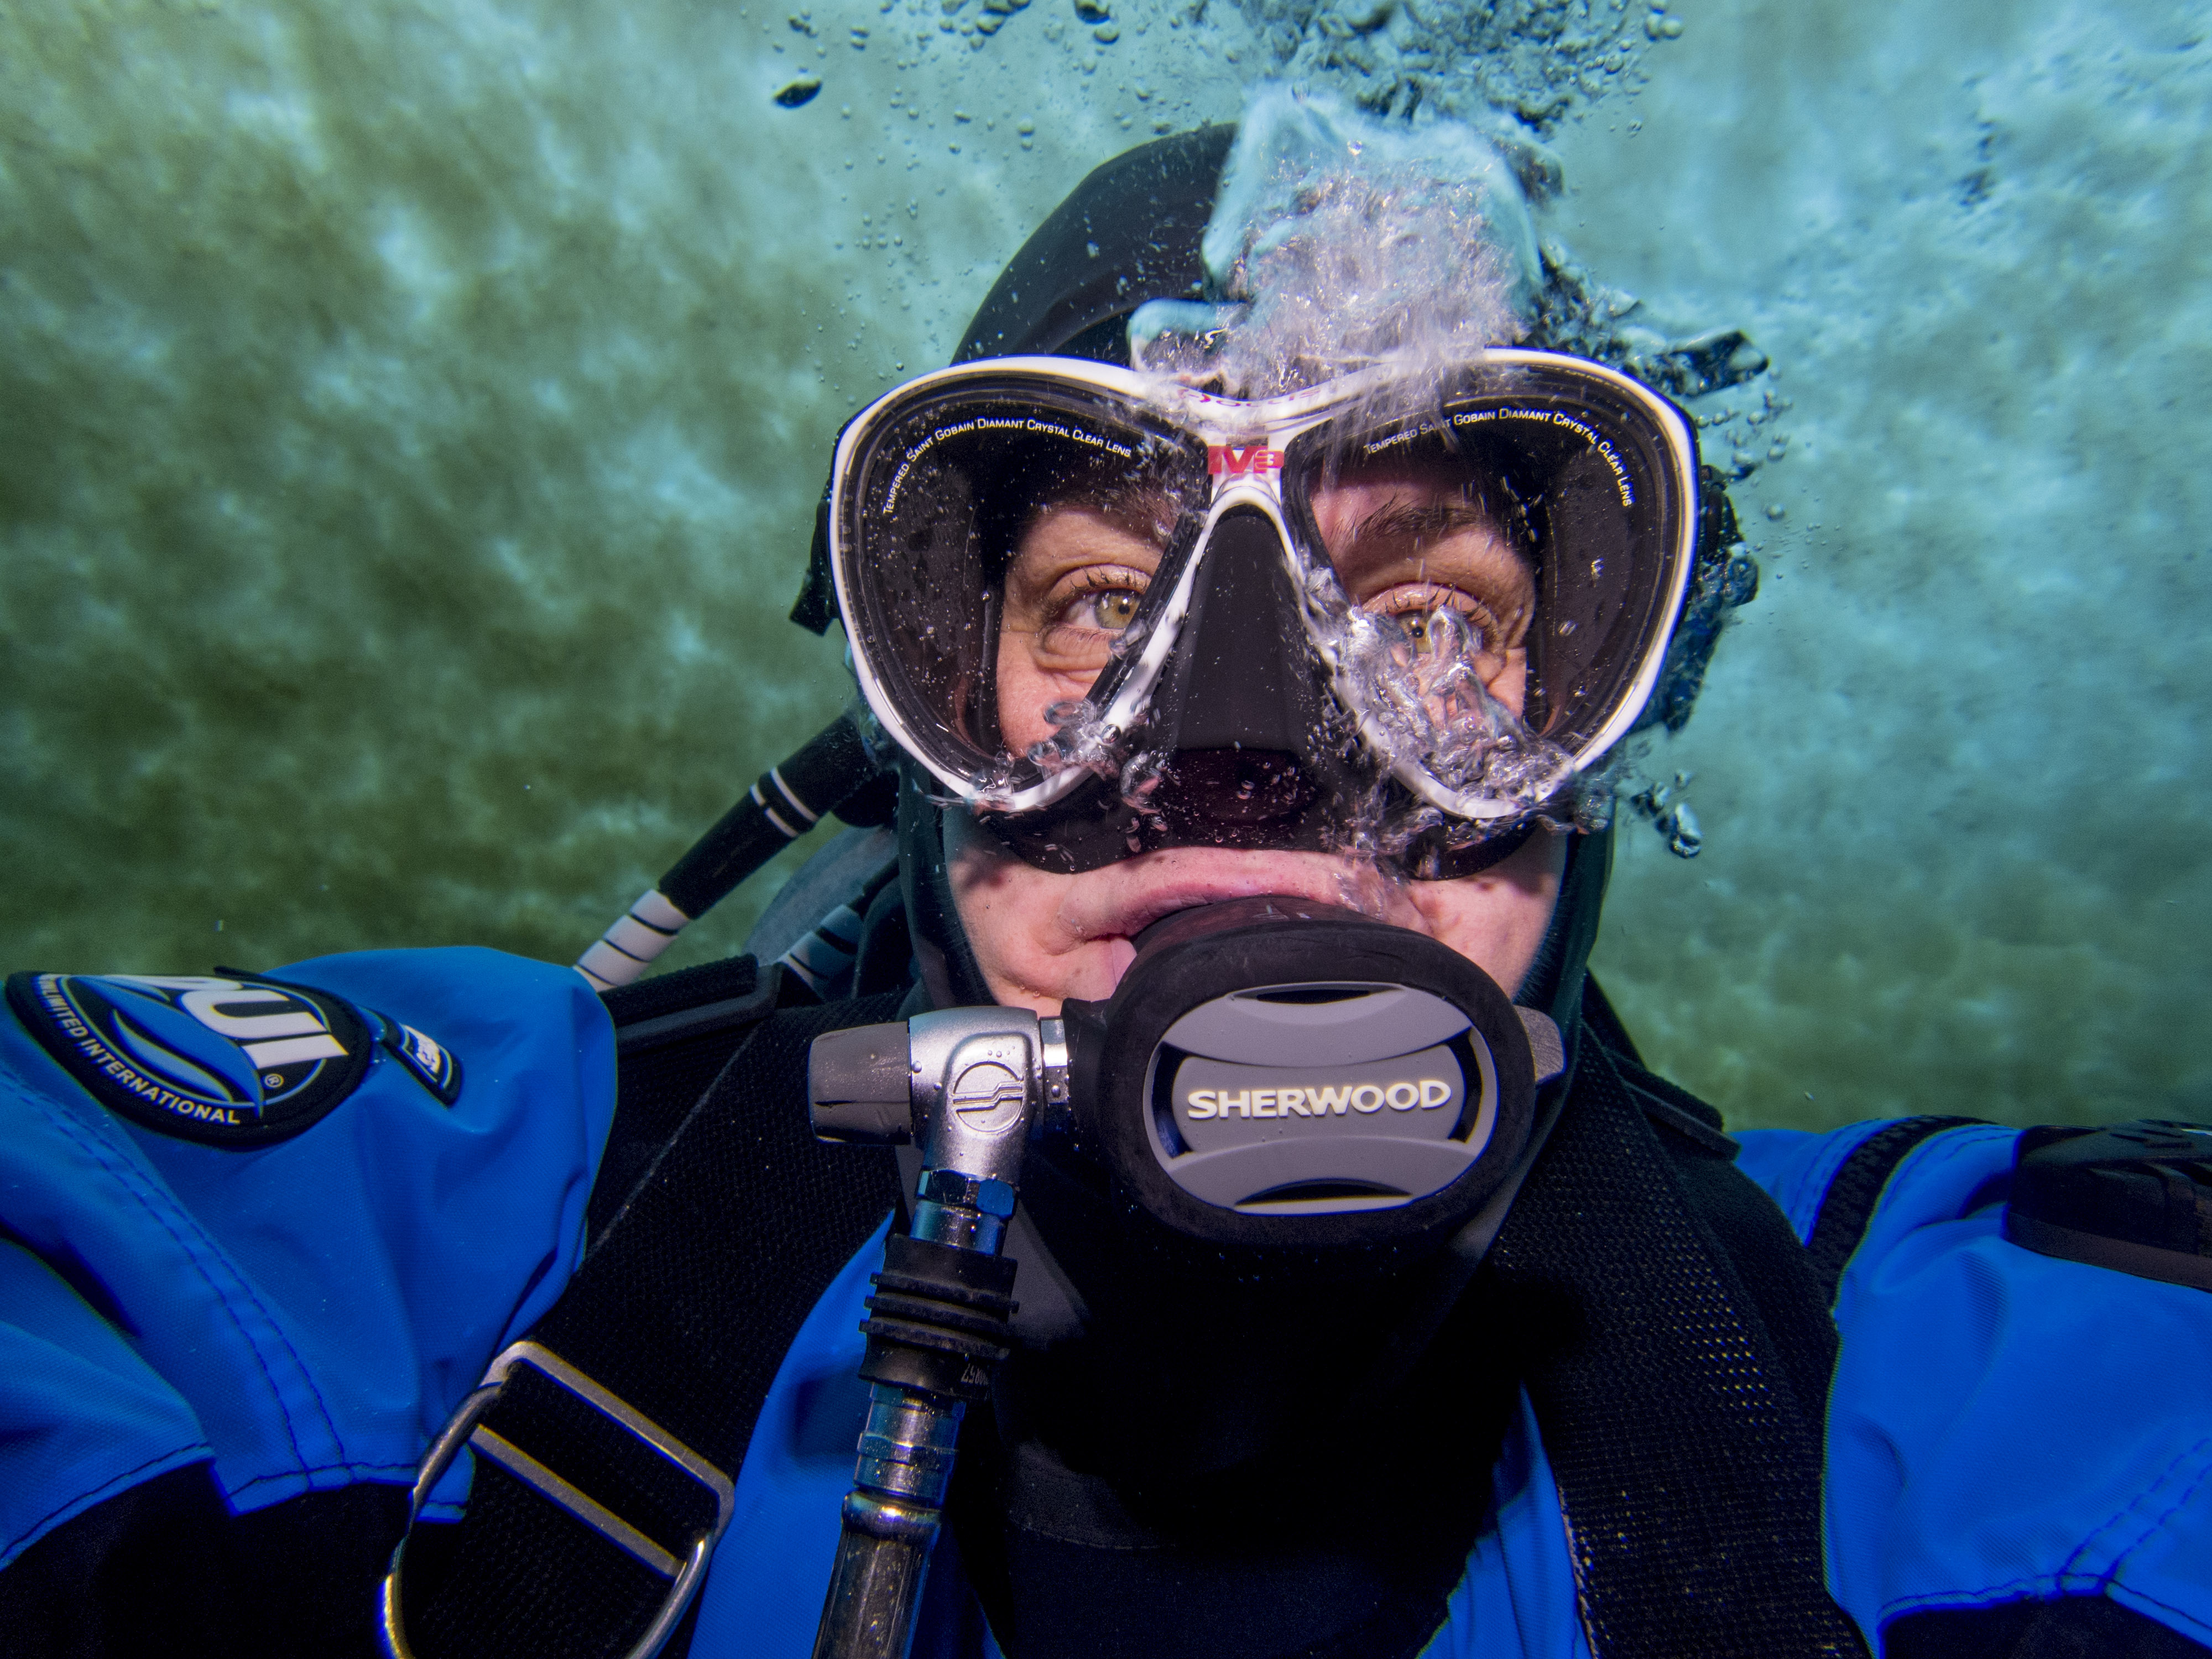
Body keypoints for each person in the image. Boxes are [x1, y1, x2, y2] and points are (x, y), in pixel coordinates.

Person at [2, 117, 2208, 1659]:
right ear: (917, 728)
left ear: (1599, 758)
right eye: (1098, 614)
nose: (1243, 750)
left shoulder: (1903, 1366)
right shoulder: (513, 1205)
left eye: (1430, 628)